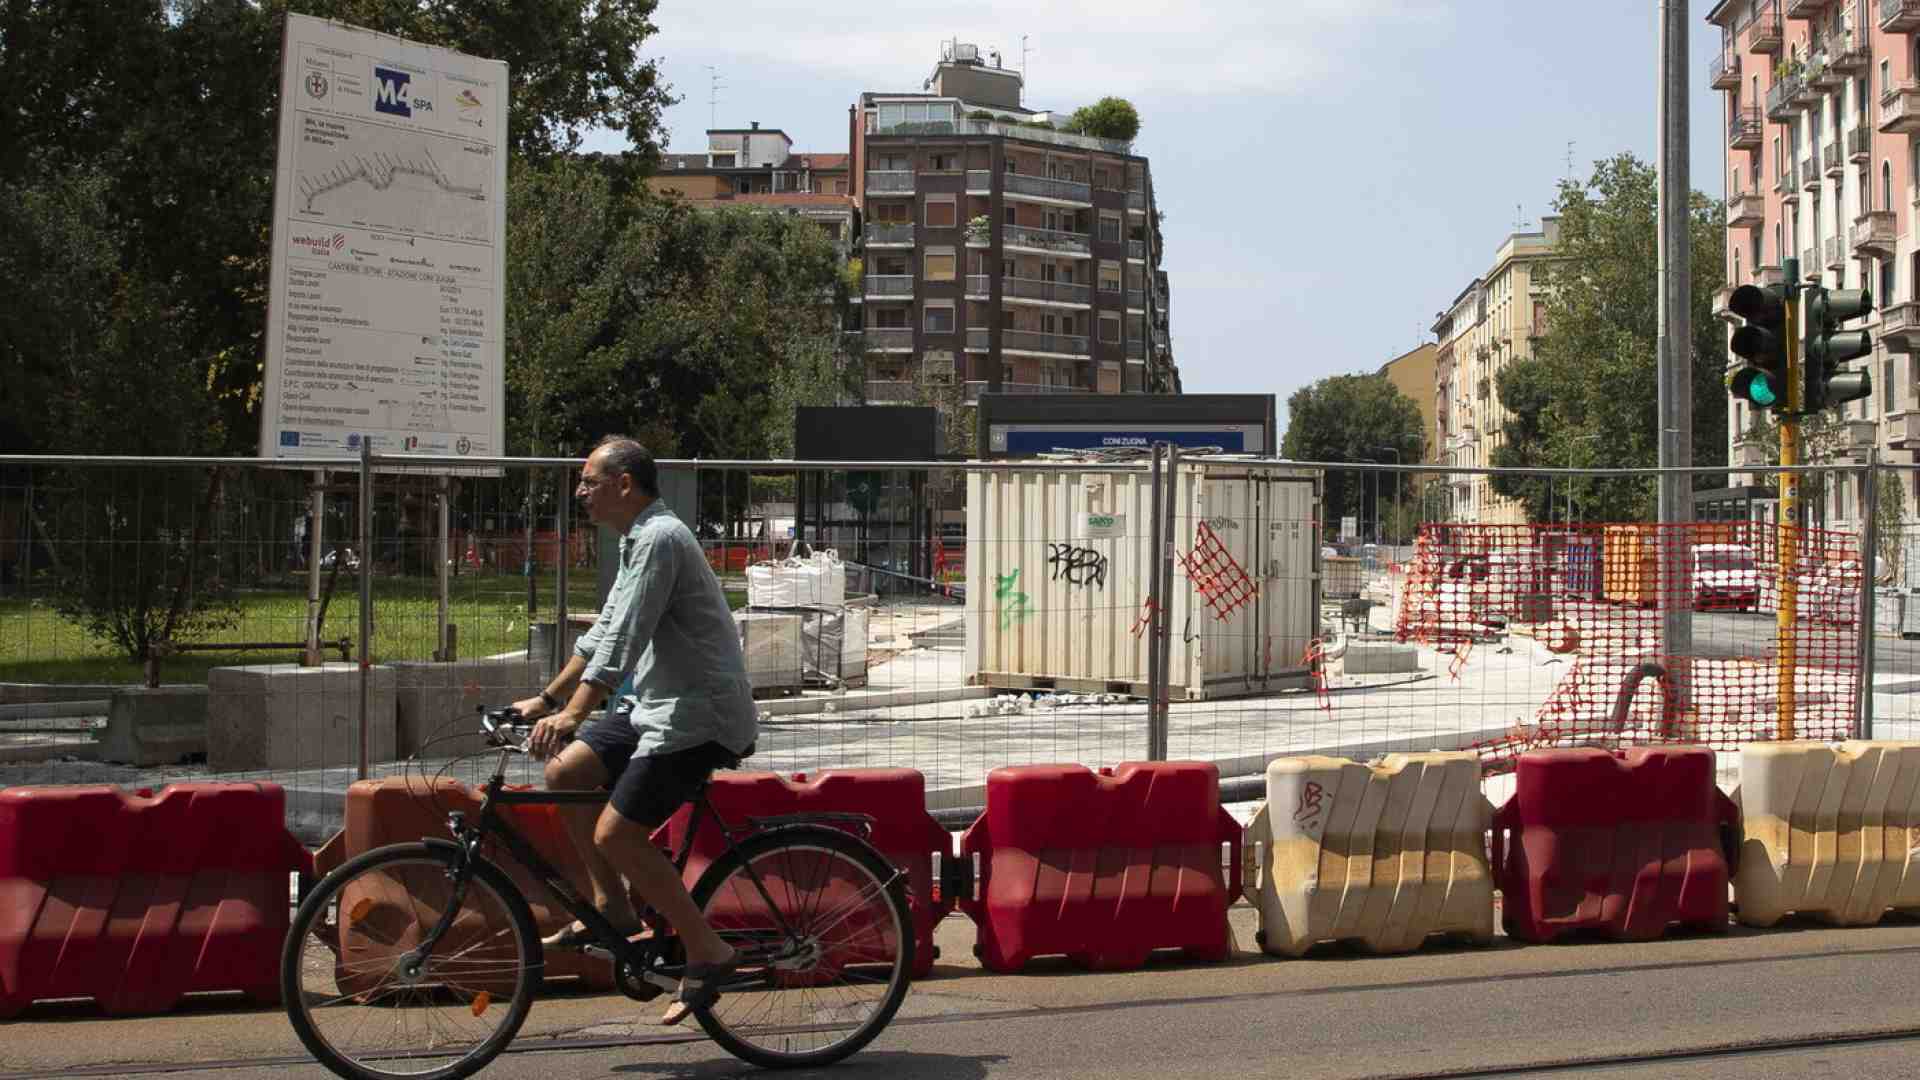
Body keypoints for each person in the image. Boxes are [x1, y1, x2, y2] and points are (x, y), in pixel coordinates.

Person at [511, 435, 757, 1025]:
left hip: (698, 715)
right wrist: (546, 699)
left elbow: (626, 639)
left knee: (616, 834)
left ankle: (708, 950)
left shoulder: (661, 539)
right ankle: (614, 909)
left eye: (589, 482)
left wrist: (575, 714)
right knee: (565, 772)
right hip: (654, 707)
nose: (580, 492)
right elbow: (603, 632)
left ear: (624, 484)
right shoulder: (636, 539)